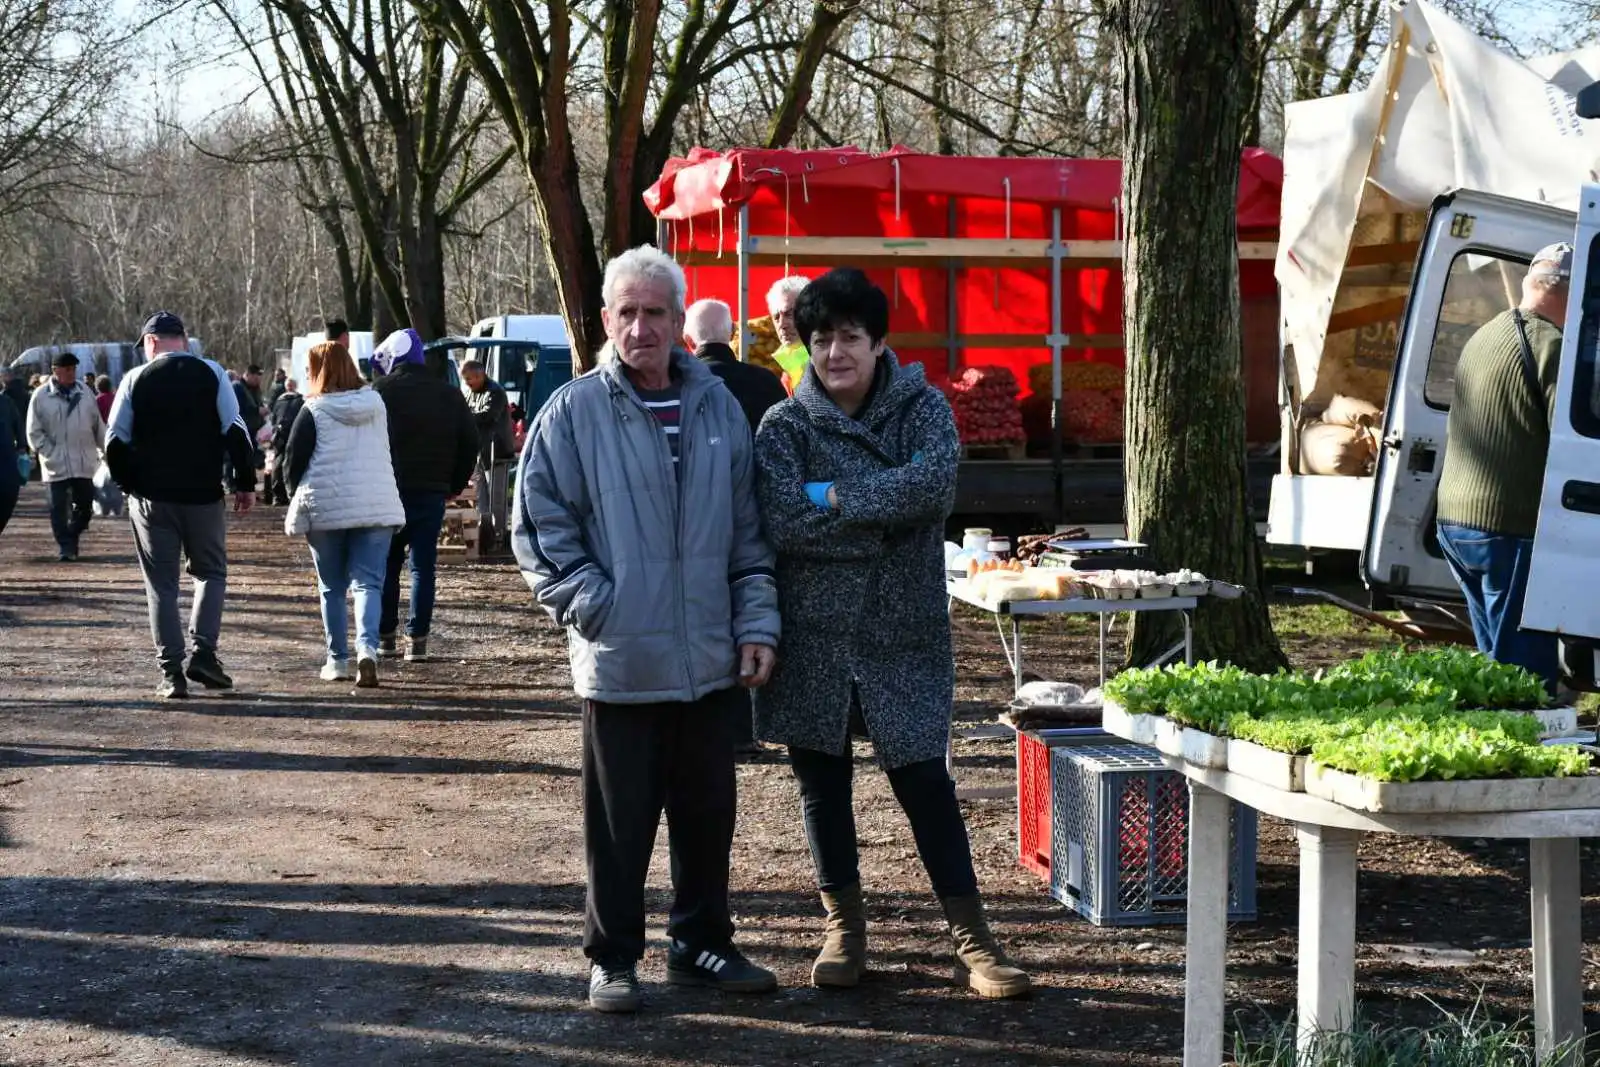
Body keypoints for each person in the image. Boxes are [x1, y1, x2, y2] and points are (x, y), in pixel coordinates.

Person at [513, 246, 780, 1014]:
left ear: (679, 322)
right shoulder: (575, 410)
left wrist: (755, 622)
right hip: (622, 656)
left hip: (708, 657)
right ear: (606, 320)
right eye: (626, 313)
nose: (641, 327)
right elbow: (540, 527)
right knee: (618, 823)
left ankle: (701, 943)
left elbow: (748, 533)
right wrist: (597, 602)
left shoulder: (718, 407)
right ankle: (613, 957)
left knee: (707, 816)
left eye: (655, 312)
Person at [753, 268, 1031, 999]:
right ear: (805, 346)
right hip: (815, 634)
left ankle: (973, 940)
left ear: (878, 342)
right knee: (822, 785)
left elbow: (933, 488)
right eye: (821, 339)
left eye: (850, 336)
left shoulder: (923, 409)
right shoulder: (783, 427)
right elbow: (782, 520)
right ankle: (843, 928)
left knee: (924, 781)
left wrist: (836, 497)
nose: (836, 351)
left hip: (901, 632)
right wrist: (885, 522)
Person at [1435, 243, 1574, 695]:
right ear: (1571, 293)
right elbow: (1573, 436)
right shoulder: (1550, 345)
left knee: (1497, 659)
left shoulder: (1486, 334)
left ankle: (1496, 740)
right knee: (1524, 670)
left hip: (1456, 522)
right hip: (1507, 525)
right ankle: (1528, 748)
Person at [106, 311, 256, 698]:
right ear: (183, 339)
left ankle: (171, 673)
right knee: (210, 573)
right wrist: (244, 483)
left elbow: (114, 443)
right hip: (203, 494)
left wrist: (129, 486)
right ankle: (204, 652)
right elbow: (235, 430)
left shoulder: (135, 379)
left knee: (162, 586)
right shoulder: (212, 373)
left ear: (151, 342)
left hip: (153, 498)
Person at [684, 297, 789, 758]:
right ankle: (752, 723)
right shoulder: (765, 383)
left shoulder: (685, 386)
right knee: (754, 615)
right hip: (758, 517)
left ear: (688, 340)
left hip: (701, 522)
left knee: (709, 617)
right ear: (731, 336)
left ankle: (714, 723)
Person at [282, 342, 405, 688]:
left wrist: (295, 495)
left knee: (332, 587)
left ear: (317, 371)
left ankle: (337, 661)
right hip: (375, 505)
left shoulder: (313, 409)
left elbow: (294, 459)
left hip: (326, 507)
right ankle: (367, 649)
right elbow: (390, 448)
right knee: (369, 583)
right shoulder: (377, 405)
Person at [370, 328, 478, 662]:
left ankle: (385, 636)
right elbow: (469, 443)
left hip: (388, 490)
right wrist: (455, 485)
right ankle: (417, 640)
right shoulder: (448, 395)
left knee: (387, 564)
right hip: (431, 493)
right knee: (423, 567)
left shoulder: (379, 392)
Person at [26, 352, 106, 561]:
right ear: (56, 371)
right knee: (58, 508)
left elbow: (98, 425)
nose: (72, 373)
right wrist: (49, 452)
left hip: (83, 460)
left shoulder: (85, 392)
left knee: (85, 507)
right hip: (56, 463)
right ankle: (66, 547)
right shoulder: (41, 396)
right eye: (67, 369)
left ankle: (71, 536)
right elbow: (33, 431)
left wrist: (107, 450)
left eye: (74, 369)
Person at [461, 360, 514, 552]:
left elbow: (488, 416)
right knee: (480, 495)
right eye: (465, 380)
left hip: (496, 451)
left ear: (479, 375)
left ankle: (498, 536)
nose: (467, 383)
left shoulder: (495, 392)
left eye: (469, 379)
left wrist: (464, 416)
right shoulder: (470, 393)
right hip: (479, 451)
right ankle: (484, 533)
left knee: (496, 497)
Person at [765, 275, 813, 392]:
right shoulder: (788, 364)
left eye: (789, 314)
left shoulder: (829, 361)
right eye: (776, 317)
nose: (782, 324)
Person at [268, 379, 305, 506]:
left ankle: (278, 496)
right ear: (295, 386)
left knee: (277, 465)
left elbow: (273, 419)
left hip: (280, 436)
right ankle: (292, 493)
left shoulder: (278, 401)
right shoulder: (301, 401)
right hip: (294, 436)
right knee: (292, 464)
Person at [0, 376, 22, 535]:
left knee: (7, 498)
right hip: (7, 461)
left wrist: (23, 447)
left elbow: (18, 426)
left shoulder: (6, 403)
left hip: (6, 460)